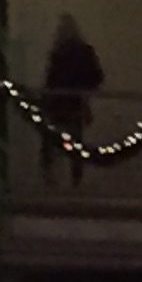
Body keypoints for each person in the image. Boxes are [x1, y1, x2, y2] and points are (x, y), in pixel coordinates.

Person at [40, 14, 104, 185]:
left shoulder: (59, 53)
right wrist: (84, 94)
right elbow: (96, 77)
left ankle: (51, 176)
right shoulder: (83, 52)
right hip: (74, 102)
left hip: (58, 102)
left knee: (52, 140)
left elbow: (51, 80)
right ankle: (75, 180)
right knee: (75, 141)